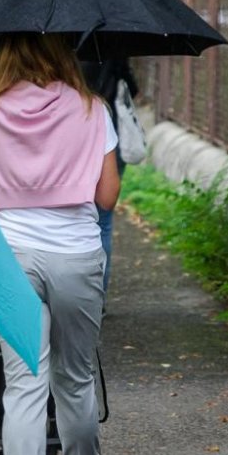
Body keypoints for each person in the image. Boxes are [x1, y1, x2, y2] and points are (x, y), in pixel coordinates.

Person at [0, 34, 120, 455]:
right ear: (62, 53)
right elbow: (107, 196)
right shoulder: (92, 108)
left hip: (8, 258)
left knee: (23, 387)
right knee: (73, 379)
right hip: (75, 253)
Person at [79, 57, 137, 295]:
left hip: (77, 136)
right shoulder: (112, 47)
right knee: (103, 222)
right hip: (112, 138)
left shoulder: (64, 48)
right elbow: (134, 89)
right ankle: (98, 295)